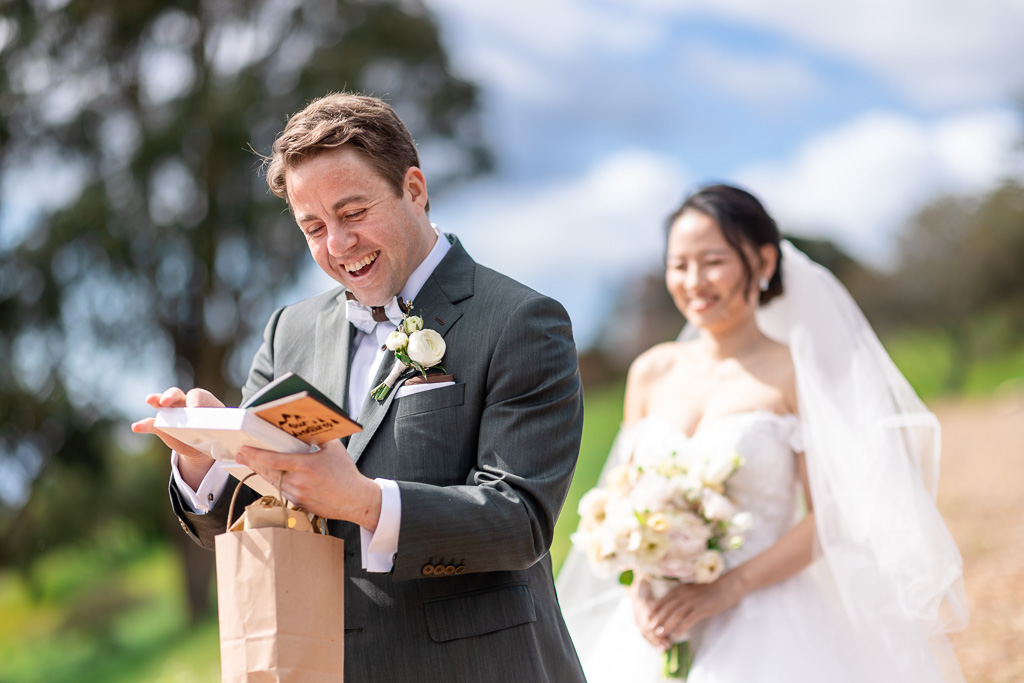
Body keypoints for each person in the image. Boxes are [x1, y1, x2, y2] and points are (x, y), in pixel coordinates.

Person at [132, 92, 586, 682]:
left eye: (353, 213)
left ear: (415, 190)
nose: (338, 246)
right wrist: (207, 462)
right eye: (313, 227)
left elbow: (520, 519)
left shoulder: (520, 320)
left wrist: (365, 502)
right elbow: (258, 514)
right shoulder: (287, 332)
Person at [557, 184, 968, 681]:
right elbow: (620, 498)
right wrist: (639, 582)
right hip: (657, 621)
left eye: (712, 261)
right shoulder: (650, 371)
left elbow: (834, 515)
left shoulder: (801, 371)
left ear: (764, 260)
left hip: (766, 620)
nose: (693, 280)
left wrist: (729, 588)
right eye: (678, 264)